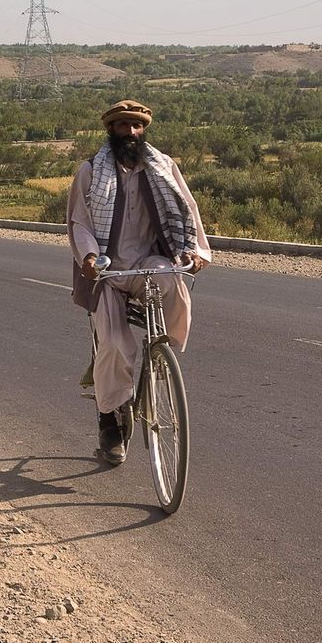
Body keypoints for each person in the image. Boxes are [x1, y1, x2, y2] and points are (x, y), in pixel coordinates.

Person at [67, 99, 211, 466]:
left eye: (137, 126)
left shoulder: (163, 168)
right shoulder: (91, 171)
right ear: (110, 130)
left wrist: (194, 253)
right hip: (109, 270)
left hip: (149, 260)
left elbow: (187, 210)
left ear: (144, 130)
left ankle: (163, 352)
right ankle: (111, 425)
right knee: (114, 343)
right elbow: (79, 221)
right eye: (122, 126)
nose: (130, 132)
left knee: (175, 281)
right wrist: (87, 257)